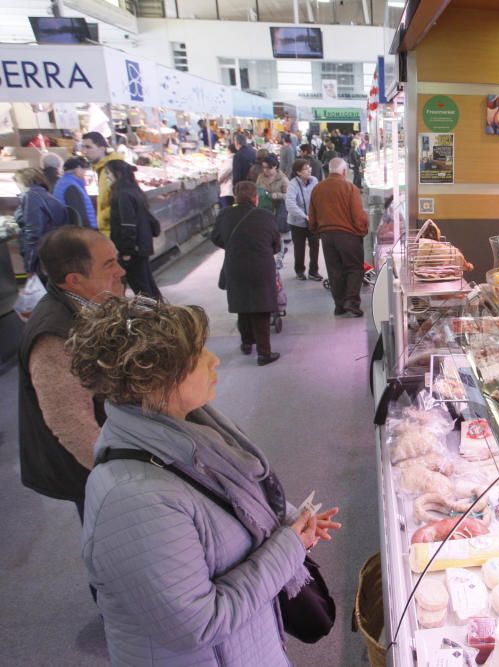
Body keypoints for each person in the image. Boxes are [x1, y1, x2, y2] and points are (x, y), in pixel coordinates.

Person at [67, 296, 340, 664]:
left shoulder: (191, 435)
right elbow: (200, 624)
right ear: (154, 382)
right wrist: (287, 547)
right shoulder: (132, 499)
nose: (214, 361)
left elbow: (231, 505)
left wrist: (289, 525)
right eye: (198, 355)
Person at [19, 227, 125, 525]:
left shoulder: (92, 303)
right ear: (74, 280)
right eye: (109, 264)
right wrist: (120, 478)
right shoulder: (54, 335)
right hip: (95, 472)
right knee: (118, 546)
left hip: (118, 444)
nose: (121, 270)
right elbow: (70, 422)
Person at [212, 181, 282, 365]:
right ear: (255, 198)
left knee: (242, 306)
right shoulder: (266, 216)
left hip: (235, 265)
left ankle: (246, 343)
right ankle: (264, 353)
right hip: (261, 266)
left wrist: (233, 247)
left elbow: (216, 238)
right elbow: (276, 244)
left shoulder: (224, 214)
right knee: (262, 308)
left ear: (235, 197)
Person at [309, 157, 369, 317]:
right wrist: (362, 230)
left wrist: (317, 231)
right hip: (348, 235)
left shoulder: (317, 189)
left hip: (327, 236)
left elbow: (312, 216)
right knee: (355, 268)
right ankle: (351, 301)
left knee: (334, 270)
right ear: (344, 171)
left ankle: (339, 305)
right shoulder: (350, 188)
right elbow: (358, 216)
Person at [105, 160, 162, 300]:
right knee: (147, 284)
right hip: (141, 245)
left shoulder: (122, 194)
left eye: (108, 174)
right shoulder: (133, 190)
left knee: (142, 288)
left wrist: (126, 251)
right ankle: (162, 314)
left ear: (117, 174)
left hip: (134, 249)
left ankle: (154, 317)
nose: (106, 178)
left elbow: (128, 225)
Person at [14, 167, 69, 276]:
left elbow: (33, 233)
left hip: (41, 258)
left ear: (24, 181)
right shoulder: (45, 195)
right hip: (53, 253)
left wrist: (29, 266)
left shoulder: (31, 196)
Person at [80, 132, 124, 236]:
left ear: (102, 148)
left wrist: (103, 218)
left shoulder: (112, 170)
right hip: (109, 232)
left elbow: (121, 203)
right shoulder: (102, 169)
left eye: (88, 147)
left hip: (115, 233)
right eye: (83, 147)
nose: (84, 151)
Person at [286, 159, 323, 282]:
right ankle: (300, 271)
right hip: (297, 222)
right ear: (298, 172)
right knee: (299, 248)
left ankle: (314, 271)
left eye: (309, 168)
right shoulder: (293, 184)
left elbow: (318, 198)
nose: (309, 170)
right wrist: (303, 215)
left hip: (312, 221)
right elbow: (290, 204)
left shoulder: (314, 181)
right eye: (306, 169)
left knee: (315, 245)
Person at [54, 157, 97, 229]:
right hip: (80, 232)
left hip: (68, 229)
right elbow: (78, 214)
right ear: (78, 169)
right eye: (83, 169)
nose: (84, 172)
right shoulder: (71, 186)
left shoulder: (63, 182)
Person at [256, 154, 289, 234]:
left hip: (278, 208)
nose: (265, 170)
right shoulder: (260, 177)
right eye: (264, 167)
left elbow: (288, 196)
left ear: (275, 166)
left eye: (268, 168)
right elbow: (256, 189)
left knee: (276, 229)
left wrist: (276, 195)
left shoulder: (283, 179)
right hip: (264, 207)